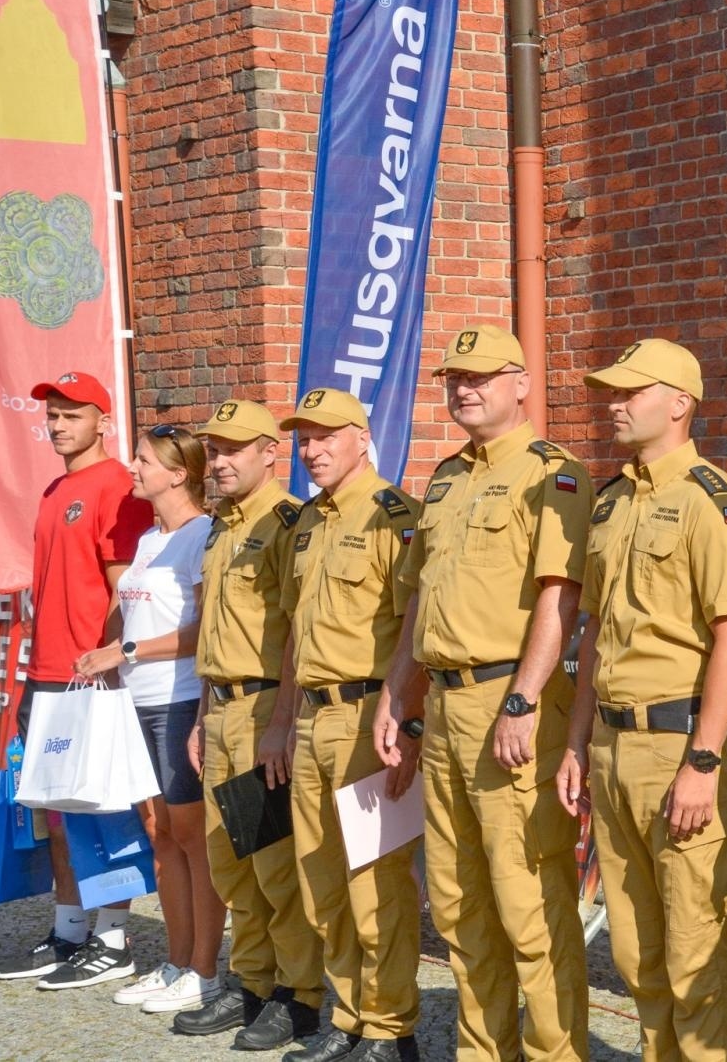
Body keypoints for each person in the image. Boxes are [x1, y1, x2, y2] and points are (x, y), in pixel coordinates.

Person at [373, 325, 593, 1061]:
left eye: (482, 377)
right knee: (461, 905)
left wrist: (525, 701)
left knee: (529, 906)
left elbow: (558, 599)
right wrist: (394, 700)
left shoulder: (551, 473)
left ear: (522, 383)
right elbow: (417, 606)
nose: (464, 389)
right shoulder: (444, 477)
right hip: (440, 707)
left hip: (509, 704)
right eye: (454, 379)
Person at [556, 338, 727, 1061]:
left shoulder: (711, 500)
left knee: (693, 949)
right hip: (612, 747)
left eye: (630, 392)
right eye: (613, 391)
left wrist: (704, 760)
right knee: (638, 951)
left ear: (679, 403)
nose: (615, 403)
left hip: (678, 746)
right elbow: (597, 638)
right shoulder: (610, 503)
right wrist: (578, 743)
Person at [171, 398, 325, 1049]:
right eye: (215, 449)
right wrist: (204, 715)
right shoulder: (220, 526)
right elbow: (216, 630)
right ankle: (254, 985)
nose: (220, 460)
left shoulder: (287, 521)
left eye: (234, 448)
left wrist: (282, 722)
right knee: (231, 863)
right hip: (222, 713)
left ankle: (299, 995)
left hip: (265, 710)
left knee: (273, 866)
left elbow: (294, 633)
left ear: (270, 452)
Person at [0, 372, 151, 987]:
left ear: (103, 422)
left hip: (91, 675)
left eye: (72, 414)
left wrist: (108, 657)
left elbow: (123, 588)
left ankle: (114, 936)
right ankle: (69, 930)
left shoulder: (116, 487)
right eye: (53, 415)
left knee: (105, 808)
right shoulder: (57, 487)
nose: (58, 424)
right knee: (57, 808)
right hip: (47, 672)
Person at [279, 388, 422, 1062]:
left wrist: (403, 717)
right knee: (322, 879)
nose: (312, 450)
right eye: (303, 438)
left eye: (326, 436)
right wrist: (283, 722)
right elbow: (291, 635)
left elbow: (413, 628)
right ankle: (351, 1014)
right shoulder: (308, 521)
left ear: (362, 438)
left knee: (375, 880)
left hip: (369, 719)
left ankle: (390, 1027)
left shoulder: (397, 518)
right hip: (311, 718)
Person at [72, 424, 224, 1013]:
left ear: (178, 473)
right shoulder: (146, 542)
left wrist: (127, 652)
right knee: (160, 837)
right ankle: (177, 961)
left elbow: (204, 630)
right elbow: (131, 619)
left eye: (142, 460)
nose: (132, 467)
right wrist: (107, 655)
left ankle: (207, 969)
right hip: (137, 702)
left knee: (191, 838)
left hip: (179, 700)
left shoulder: (201, 535)